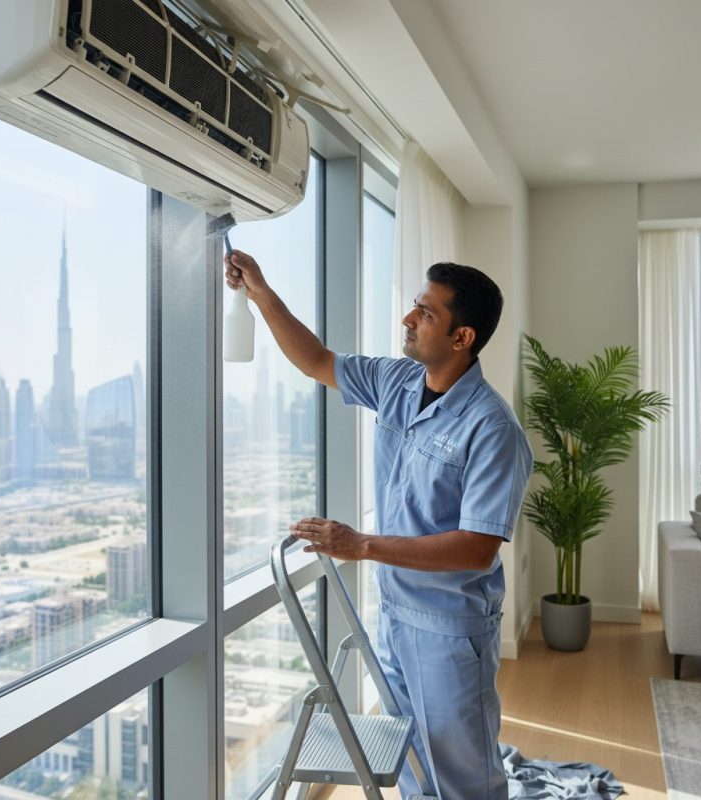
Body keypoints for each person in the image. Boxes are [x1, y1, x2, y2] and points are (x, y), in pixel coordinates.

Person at [225, 250, 533, 800]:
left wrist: (361, 545)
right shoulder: (396, 382)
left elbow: (476, 548)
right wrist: (261, 292)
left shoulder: (492, 427)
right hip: (394, 614)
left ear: (462, 338)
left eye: (426, 313)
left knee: (464, 777)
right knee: (411, 764)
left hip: (450, 627)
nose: (408, 320)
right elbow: (317, 360)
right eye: (414, 306)